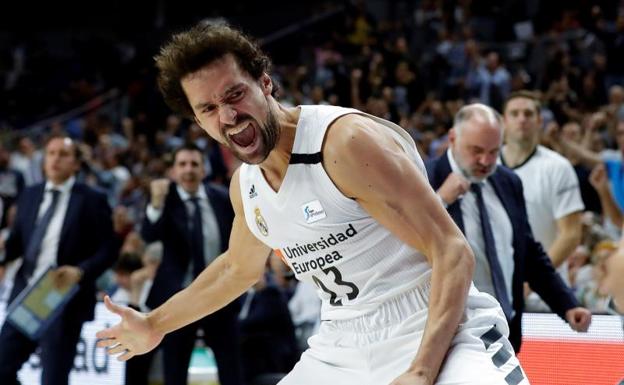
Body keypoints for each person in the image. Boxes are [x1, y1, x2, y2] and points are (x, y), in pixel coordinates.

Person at [97, 22, 529, 385]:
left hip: (438, 322)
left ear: (265, 83)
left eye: (234, 95)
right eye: (209, 108)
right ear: (197, 121)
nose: (227, 116)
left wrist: (421, 370)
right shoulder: (246, 186)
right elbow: (236, 269)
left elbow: (452, 250)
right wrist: (154, 324)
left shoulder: (343, 142)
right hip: (343, 340)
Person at [426, 103, 591, 352]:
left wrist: (566, 304)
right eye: (476, 151)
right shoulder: (424, 180)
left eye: (494, 151)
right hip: (450, 333)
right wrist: (440, 201)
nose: (486, 160)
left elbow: (527, 253)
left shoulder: (508, 181)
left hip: (505, 331)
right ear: (452, 138)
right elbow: (401, 247)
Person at [0, 135, 116, 385]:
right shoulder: (29, 195)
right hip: (27, 292)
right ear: (44, 162)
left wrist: (81, 271)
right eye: (51, 154)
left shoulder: (92, 199)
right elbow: (16, 245)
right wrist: (3, 250)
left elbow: (109, 250)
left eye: (63, 154)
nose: (55, 159)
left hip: (62, 293)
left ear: (75, 164)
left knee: (53, 378)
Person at [140, 143, 243, 385]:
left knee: (232, 371)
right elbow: (149, 234)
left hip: (220, 297)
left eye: (194, 164)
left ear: (204, 170)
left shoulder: (222, 196)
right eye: (182, 165)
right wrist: (155, 203)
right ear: (173, 171)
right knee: (174, 371)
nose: (188, 170)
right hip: (178, 300)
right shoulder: (164, 200)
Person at [500, 90, 585, 271]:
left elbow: (571, 234)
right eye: (514, 114)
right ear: (503, 122)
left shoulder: (558, 167)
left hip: (543, 290)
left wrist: (535, 281)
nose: (522, 119)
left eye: (528, 114)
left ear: (539, 121)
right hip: (496, 286)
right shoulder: (486, 165)